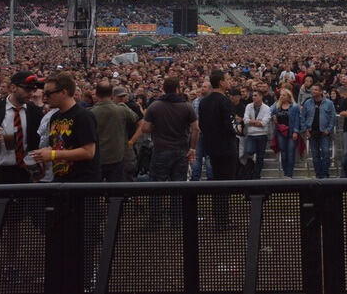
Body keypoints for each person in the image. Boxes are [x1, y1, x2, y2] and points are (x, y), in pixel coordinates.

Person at [142, 76, 198, 226]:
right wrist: (192, 148)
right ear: (178, 89)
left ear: (163, 89)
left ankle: (155, 220)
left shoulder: (155, 106)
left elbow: (145, 128)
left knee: (156, 186)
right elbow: (195, 129)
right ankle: (176, 219)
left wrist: (158, 126)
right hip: (181, 150)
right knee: (178, 186)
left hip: (161, 150)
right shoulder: (187, 106)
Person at [30, 72, 100, 182]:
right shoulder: (54, 117)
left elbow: (88, 152)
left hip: (81, 183)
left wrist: (53, 154)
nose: (45, 98)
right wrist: (44, 153)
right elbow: (60, 146)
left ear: (63, 92)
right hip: (60, 180)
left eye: (48, 94)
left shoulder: (83, 116)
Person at [0, 71, 44, 184]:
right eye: (27, 89)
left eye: (33, 90)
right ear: (13, 87)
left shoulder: (34, 111)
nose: (31, 93)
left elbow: (38, 141)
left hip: (26, 172)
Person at [197, 69, 237, 226]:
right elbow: (229, 125)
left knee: (217, 182)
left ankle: (219, 217)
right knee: (226, 183)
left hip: (212, 146)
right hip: (226, 147)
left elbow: (202, 124)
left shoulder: (203, 102)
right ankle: (223, 219)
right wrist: (234, 133)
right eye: (227, 79)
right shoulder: (224, 101)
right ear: (221, 82)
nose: (229, 81)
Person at [90, 80, 140, 182]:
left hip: (98, 157)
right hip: (117, 157)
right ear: (112, 95)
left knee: (96, 187)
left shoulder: (90, 112)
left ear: (97, 94)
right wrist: (123, 105)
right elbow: (135, 118)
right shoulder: (121, 110)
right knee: (116, 188)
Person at [299, 84, 336, 179]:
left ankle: (325, 174)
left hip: (324, 132)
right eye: (312, 90)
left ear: (320, 91)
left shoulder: (329, 103)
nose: (313, 91)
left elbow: (332, 117)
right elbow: (302, 117)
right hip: (311, 132)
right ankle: (318, 175)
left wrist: (329, 129)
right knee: (315, 156)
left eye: (315, 90)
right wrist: (305, 130)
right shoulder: (307, 103)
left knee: (326, 153)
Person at [243, 89, 272, 179]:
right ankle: (250, 170)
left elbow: (264, 123)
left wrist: (252, 121)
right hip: (251, 134)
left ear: (261, 96)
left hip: (262, 134)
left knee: (260, 157)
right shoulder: (248, 106)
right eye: (253, 95)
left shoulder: (267, 108)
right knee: (249, 151)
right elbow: (245, 120)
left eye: (255, 95)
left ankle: (256, 175)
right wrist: (257, 122)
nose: (253, 97)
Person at [272, 88, 300, 178]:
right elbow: (269, 111)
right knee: (283, 153)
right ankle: (285, 173)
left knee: (290, 153)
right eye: (281, 95)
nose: (281, 96)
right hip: (280, 132)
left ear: (289, 97)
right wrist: (273, 116)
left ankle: (289, 174)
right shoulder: (277, 105)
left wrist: (296, 131)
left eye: (283, 95)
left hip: (291, 132)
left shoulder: (294, 107)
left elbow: (297, 120)